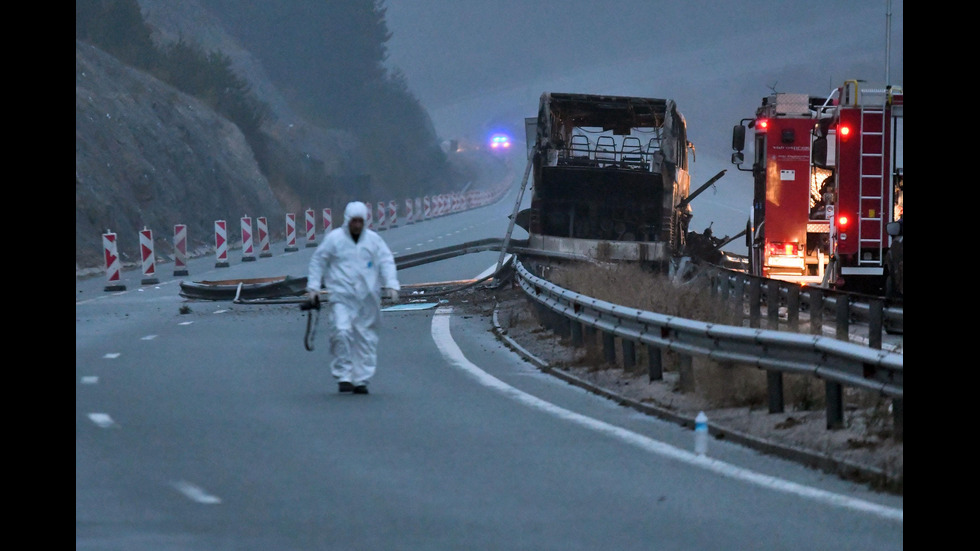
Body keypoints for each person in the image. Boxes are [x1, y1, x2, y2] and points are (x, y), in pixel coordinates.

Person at [305, 201, 400, 395]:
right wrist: (313, 287)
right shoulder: (335, 239)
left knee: (365, 339)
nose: (357, 225)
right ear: (347, 220)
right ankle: (344, 375)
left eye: (360, 221)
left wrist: (391, 284)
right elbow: (318, 261)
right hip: (342, 296)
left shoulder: (373, 240)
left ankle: (361, 379)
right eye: (354, 221)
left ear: (364, 221)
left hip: (368, 299)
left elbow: (386, 261)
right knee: (341, 332)